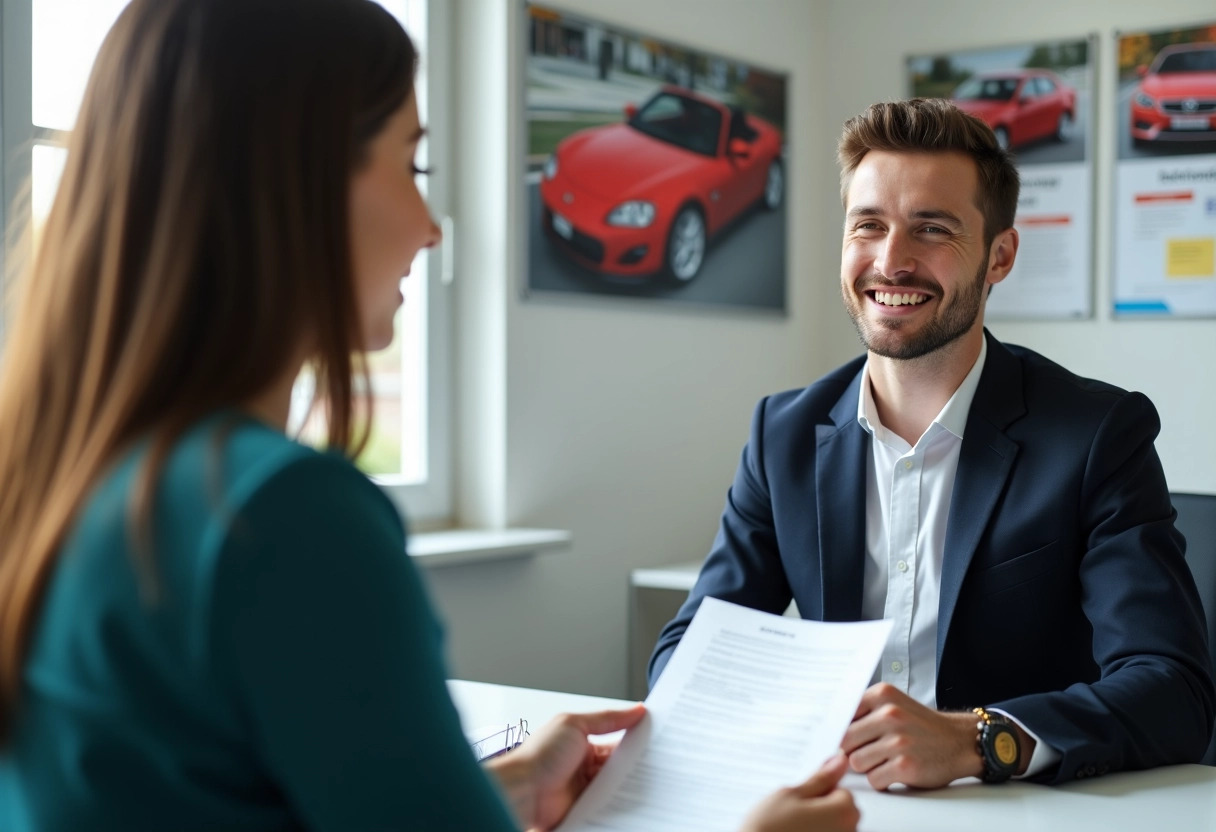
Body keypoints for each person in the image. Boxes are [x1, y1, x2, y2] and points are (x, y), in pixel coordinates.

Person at [0, 1, 858, 830]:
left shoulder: (54, 477)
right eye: (410, 166)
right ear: (290, 184)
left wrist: (507, 791)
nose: (432, 228)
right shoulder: (284, 518)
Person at [650, 97, 1215, 790]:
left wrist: (979, 741)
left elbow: (1172, 689)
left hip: (1023, 810)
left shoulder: (1097, 435)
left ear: (999, 255)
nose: (891, 261)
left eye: (931, 229)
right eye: (869, 226)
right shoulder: (784, 435)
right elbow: (687, 657)